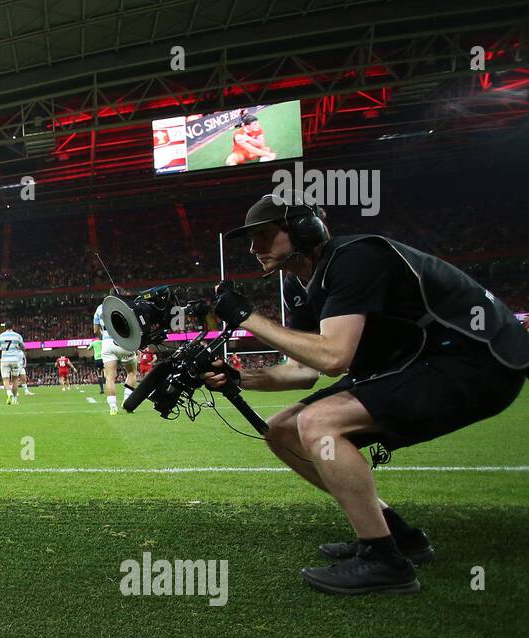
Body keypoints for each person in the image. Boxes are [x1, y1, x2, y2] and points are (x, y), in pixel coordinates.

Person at [204, 194, 527, 595]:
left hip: (479, 359)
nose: (254, 249)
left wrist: (248, 317)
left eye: (265, 236)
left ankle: (385, 563)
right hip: (419, 362)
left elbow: (335, 357)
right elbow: (305, 371)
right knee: (282, 430)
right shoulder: (302, 284)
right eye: (250, 241)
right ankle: (398, 536)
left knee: (319, 423)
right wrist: (239, 378)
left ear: (305, 229)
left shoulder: (355, 258)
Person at [93, 304, 139, 414]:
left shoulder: (100, 308)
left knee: (109, 377)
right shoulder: (126, 305)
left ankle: (113, 407)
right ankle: (127, 401)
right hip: (124, 341)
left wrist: (103, 336)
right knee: (132, 372)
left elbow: (96, 330)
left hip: (107, 343)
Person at [0, 321, 27, 404]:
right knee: (15, 379)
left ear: (5, 328)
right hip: (15, 360)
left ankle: (9, 393)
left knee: (6, 379)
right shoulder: (17, 336)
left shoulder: (0, 336)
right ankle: (15, 399)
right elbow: (23, 347)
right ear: (13, 327)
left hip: (5, 360)